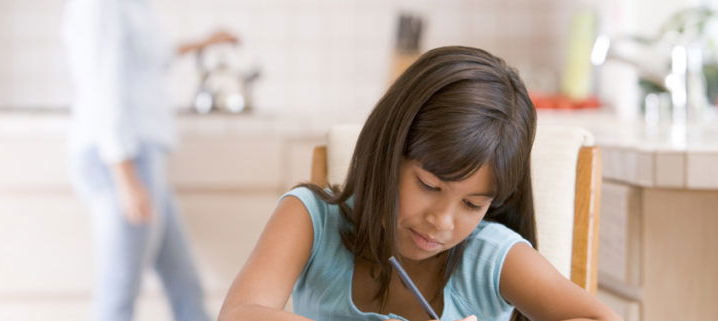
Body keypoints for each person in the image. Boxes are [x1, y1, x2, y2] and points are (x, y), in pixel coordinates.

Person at [218, 46, 621, 321]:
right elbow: (239, 314)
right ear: (387, 154)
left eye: (472, 204)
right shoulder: (311, 219)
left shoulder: (491, 257)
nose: (442, 221)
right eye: (429, 185)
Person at [61, 0, 236, 320]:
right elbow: (102, 85)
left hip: (142, 158)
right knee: (118, 295)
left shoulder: (134, 6)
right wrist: (124, 174)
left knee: (185, 287)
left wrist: (204, 41)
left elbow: (154, 56)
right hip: (124, 158)